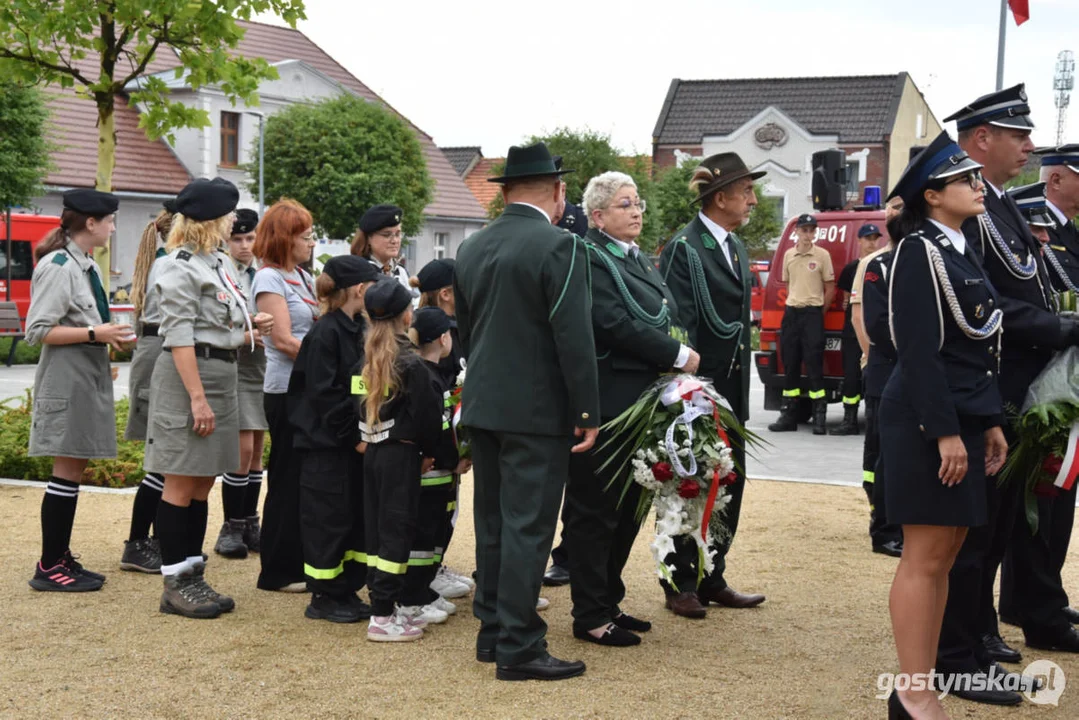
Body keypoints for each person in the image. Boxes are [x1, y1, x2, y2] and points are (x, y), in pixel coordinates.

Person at [936, 85, 1079, 704]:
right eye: (1018, 136)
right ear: (980, 140)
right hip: (990, 390)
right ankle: (960, 655)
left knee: (994, 532)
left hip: (1014, 390)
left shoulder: (1002, 206)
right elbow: (990, 306)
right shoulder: (971, 213)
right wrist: (1066, 328)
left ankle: (979, 638)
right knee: (971, 536)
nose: (1029, 147)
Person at [454, 142, 599, 680]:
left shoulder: (472, 247)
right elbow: (573, 337)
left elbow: (466, 333)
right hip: (536, 409)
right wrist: (586, 409)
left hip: (486, 400)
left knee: (492, 520)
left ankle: (494, 631)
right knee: (528, 527)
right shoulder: (558, 246)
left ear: (506, 190)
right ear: (558, 192)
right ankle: (518, 644)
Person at [879, 131, 1009, 719]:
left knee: (947, 555)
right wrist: (945, 432)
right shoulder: (917, 251)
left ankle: (922, 684)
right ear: (932, 195)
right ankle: (912, 692)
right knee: (925, 556)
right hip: (927, 421)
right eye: (966, 180)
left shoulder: (959, 247)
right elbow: (919, 351)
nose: (978, 187)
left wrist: (991, 422)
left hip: (963, 415)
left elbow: (979, 349)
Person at [565, 171, 700, 647]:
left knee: (627, 509)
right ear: (598, 215)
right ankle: (589, 613)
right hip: (606, 399)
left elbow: (666, 311)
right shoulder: (589, 257)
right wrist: (676, 354)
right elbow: (612, 321)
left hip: (643, 399)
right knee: (595, 510)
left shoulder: (635, 256)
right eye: (625, 204)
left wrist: (679, 357)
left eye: (637, 201)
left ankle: (608, 600)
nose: (637, 210)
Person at [146, 177, 273, 619]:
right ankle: (175, 581)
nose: (234, 222)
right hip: (190, 378)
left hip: (222, 373)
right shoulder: (180, 265)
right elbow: (180, 335)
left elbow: (214, 327)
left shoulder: (216, 262)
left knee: (203, 481)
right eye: (228, 215)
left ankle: (194, 571)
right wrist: (197, 399)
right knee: (181, 481)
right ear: (211, 221)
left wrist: (247, 331)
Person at [658, 152, 763, 619]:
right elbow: (677, 321)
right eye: (746, 192)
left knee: (729, 480)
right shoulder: (686, 247)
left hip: (733, 387)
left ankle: (712, 575)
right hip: (698, 390)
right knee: (689, 482)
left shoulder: (735, 247)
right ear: (720, 198)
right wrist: (687, 389)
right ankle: (678, 582)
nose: (753, 201)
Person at [25, 189, 132, 592]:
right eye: (110, 220)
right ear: (91, 223)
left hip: (83, 375)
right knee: (65, 472)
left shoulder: (81, 263)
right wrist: (94, 332)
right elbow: (37, 331)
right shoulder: (58, 265)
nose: (113, 227)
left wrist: (104, 340)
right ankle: (49, 565)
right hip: (67, 379)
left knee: (73, 470)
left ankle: (59, 556)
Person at [998, 159, 1079, 654]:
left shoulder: (1064, 233)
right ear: (1057, 177)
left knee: (1057, 503)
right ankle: (1036, 608)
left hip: (1061, 382)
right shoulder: (1027, 221)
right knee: (1039, 503)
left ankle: (1037, 597)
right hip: (1037, 388)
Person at [287, 255, 381, 623]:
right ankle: (324, 595)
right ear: (359, 289)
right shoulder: (326, 332)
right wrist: (353, 437)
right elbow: (324, 395)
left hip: (351, 443)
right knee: (328, 520)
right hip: (327, 446)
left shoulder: (357, 327)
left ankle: (346, 589)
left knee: (352, 517)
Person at [358, 279, 444, 642]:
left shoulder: (363, 360)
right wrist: (430, 451)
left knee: (378, 531)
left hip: (374, 452)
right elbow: (429, 418)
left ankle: (383, 604)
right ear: (407, 314)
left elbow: (356, 406)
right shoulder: (412, 364)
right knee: (398, 531)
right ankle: (381, 618)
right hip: (403, 456)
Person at [252, 199, 319, 593]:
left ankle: (301, 558)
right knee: (286, 476)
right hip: (285, 388)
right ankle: (276, 569)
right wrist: (325, 362)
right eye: (305, 236)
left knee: (304, 478)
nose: (311, 242)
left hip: (307, 386)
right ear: (285, 238)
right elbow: (280, 339)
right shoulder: (269, 279)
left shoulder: (305, 278)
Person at [398, 306, 470, 626]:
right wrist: (454, 459)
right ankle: (411, 597)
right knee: (423, 538)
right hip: (432, 470)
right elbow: (434, 429)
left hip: (442, 472)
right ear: (443, 339)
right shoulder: (424, 376)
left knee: (436, 532)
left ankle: (423, 589)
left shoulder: (432, 374)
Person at [411, 258, 475, 600]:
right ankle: (425, 574)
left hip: (452, 444)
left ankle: (435, 566)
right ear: (448, 293)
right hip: (437, 446)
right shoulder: (438, 333)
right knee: (430, 513)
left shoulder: (458, 328)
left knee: (448, 509)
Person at [119, 199, 174, 573]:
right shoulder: (168, 266)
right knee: (160, 459)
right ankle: (138, 543)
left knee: (167, 459)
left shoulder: (167, 262)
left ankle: (155, 539)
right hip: (158, 353)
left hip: (158, 351)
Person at [215, 208, 268, 559]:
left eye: (250, 238)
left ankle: (250, 520)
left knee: (257, 450)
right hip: (233, 362)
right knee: (241, 450)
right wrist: (249, 331)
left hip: (259, 365)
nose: (245, 245)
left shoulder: (259, 272)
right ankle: (230, 526)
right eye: (238, 239)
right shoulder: (222, 271)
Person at [851, 212, 904, 558]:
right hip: (887, 371)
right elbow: (877, 324)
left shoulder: (923, 264)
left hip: (915, 372)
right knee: (885, 453)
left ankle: (901, 522)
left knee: (905, 454)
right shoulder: (879, 266)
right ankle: (883, 529)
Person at [768, 213, 835, 435]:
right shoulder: (789, 255)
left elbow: (830, 288)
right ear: (796, 231)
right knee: (790, 364)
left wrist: (817, 312)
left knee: (814, 364)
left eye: (811, 230)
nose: (808, 234)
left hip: (812, 314)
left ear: (815, 233)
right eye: (804, 230)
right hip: (791, 313)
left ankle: (819, 417)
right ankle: (789, 415)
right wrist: (795, 305)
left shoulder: (823, 255)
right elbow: (789, 285)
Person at [830, 224, 880, 436]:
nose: (872, 242)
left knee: (873, 375)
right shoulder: (852, 268)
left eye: (875, 238)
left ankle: (872, 419)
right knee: (851, 375)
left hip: (875, 329)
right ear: (859, 241)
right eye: (867, 238)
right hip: (852, 330)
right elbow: (844, 299)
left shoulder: (880, 265)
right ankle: (849, 419)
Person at [351, 204, 415, 296]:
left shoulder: (401, 271)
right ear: (368, 238)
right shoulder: (359, 272)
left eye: (397, 234)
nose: (394, 241)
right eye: (386, 235)